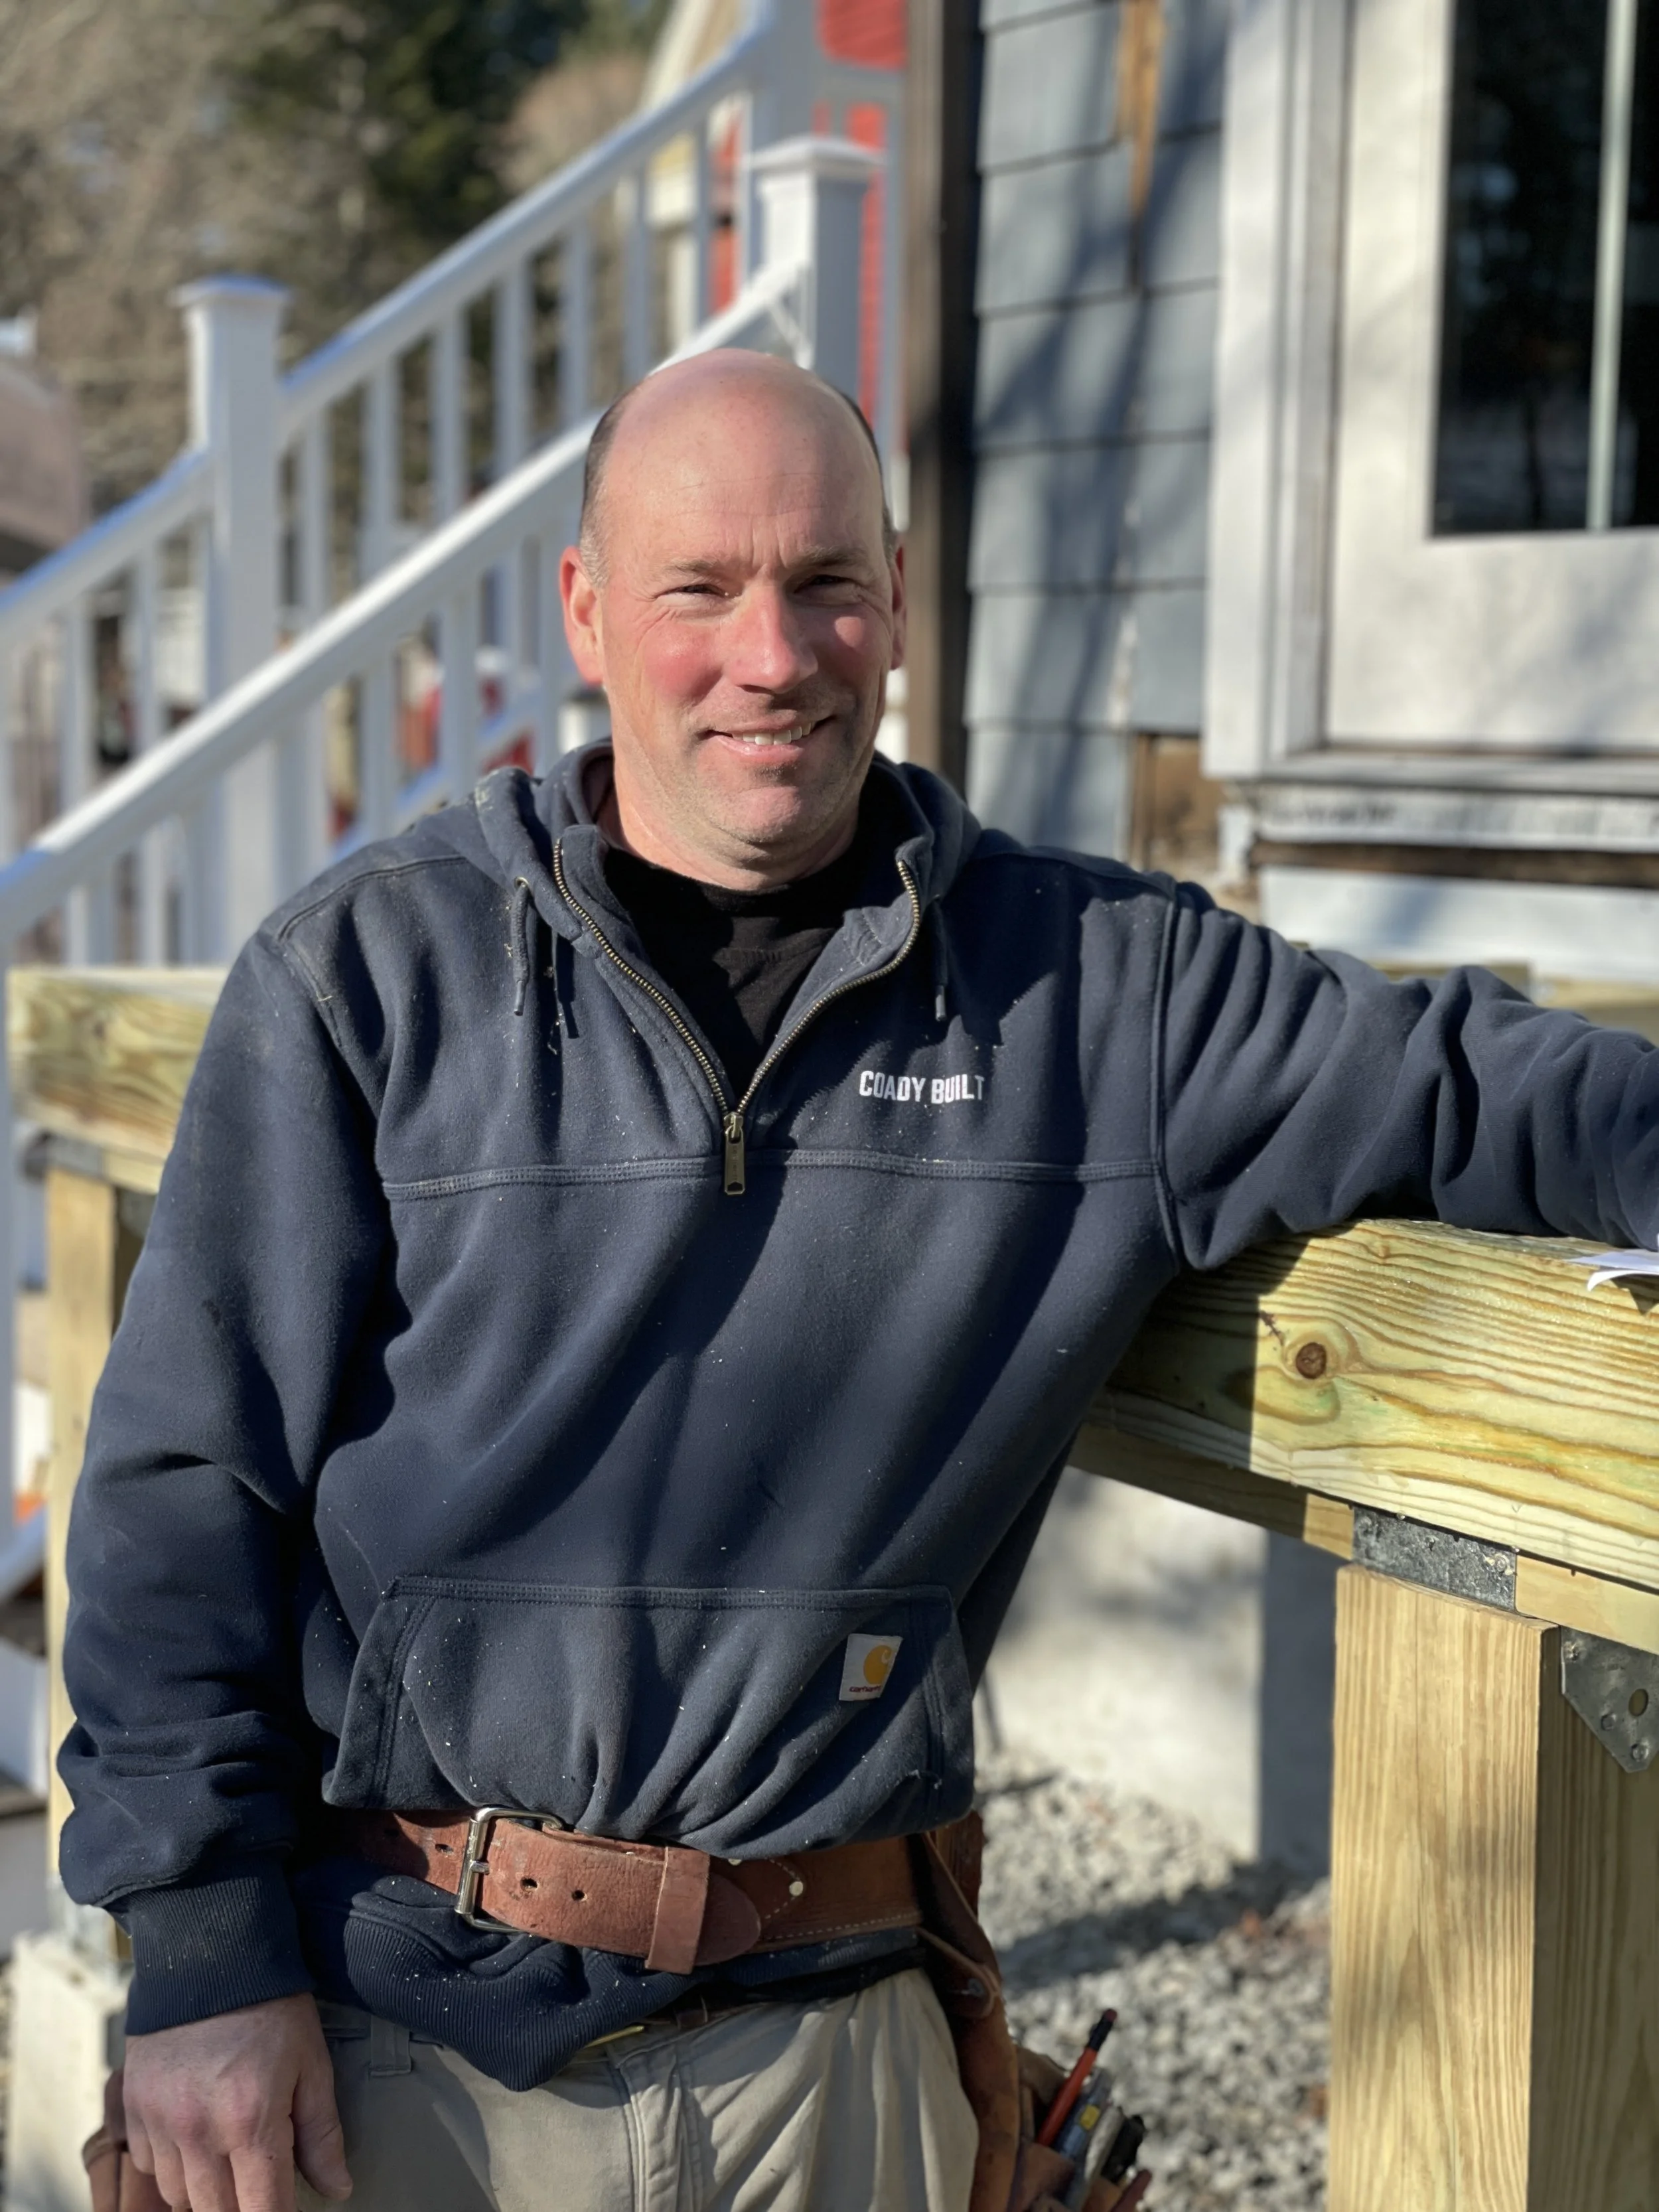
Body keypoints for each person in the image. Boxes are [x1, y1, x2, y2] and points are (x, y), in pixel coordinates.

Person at [60, 346, 1659, 2212]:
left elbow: (1471, 1079)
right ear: (586, 608)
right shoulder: (370, 979)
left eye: (826, 583)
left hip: (842, 2067)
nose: (772, 653)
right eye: (700, 588)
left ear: (894, 601)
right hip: (406, 2045)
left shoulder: (1093, 993)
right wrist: (197, 1959)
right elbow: (182, 1492)